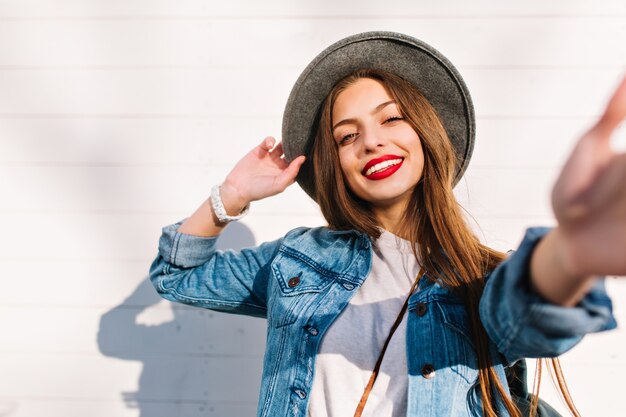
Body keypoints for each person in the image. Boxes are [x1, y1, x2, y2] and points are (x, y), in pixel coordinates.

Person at [149, 32, 624, 417]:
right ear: (334, 162)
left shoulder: (480, 278)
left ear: (425, 132)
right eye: (347, 135)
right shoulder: (297, 259)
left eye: (391, 119)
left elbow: (535, 318)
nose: (371, 142)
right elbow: (177, 275)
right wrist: (231, 196)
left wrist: (572, 251)